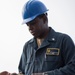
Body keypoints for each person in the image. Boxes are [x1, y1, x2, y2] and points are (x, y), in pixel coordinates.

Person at [18, 0, 75, 75]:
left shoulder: (63, 41)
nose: (30, 28)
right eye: (27, 25)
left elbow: (72, 69)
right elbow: (22, 71)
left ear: (45, 19)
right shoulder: (27, 46)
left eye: (33, 23)